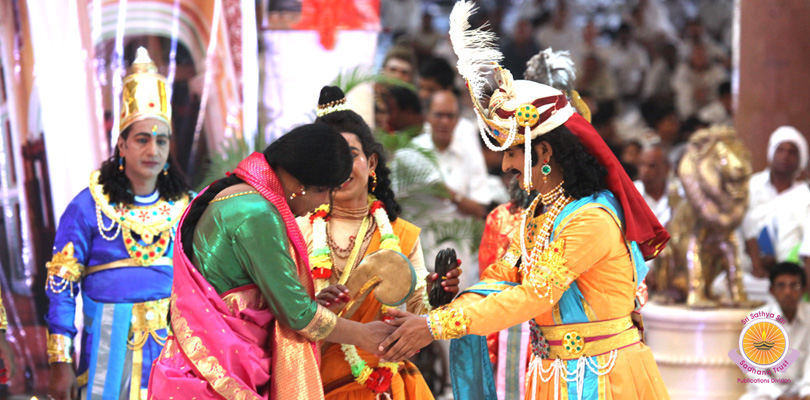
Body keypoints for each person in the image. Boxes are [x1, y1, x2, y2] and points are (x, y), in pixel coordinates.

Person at [377, 3, 671, 398]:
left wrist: (434, 327)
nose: (505, 166)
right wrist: (451, 301)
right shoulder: (540, 210)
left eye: (514, 152)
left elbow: (534, 295)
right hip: (552, 376)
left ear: (545, 153)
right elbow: (503, 278)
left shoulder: (591, 219)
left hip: (602, 380)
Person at [148, 124, 396, 399]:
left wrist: (311, 303)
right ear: (303, 185)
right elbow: (298, 316)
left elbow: (260, 297)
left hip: (203, 367)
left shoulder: (241, 194)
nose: (326, 203)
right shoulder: (256, 213)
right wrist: (365, 335)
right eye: (327, 191)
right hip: (217, 378)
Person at [45, 47, 191, 400]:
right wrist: (59, 359)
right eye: (142, 139)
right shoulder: (87, 207)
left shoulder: (187, 207)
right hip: (107, 350)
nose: (152, 150)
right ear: (121, 145)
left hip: (173, 348)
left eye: (161, 140)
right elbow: (61, 283)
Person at [301, 86, 461, 399]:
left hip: (383, 385)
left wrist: (438, 295)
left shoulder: (400, 234)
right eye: (331, 159)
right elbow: (282, 312)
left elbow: (418, 310)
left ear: (371, 162)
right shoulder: (298, 228)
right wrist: (313, 310)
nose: (343, 168)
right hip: (311, 381)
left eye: (351, 156)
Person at [742, 127, 810, 280]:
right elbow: (744, 226)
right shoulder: (751, 187)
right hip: (750, 270)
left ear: (801, 159)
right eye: (780, 150)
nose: (785, 156)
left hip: (792, 274)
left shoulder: (805, 195)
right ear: (771, 153)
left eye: (792, 152)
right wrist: (757, 263)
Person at [740, 262, 810, 400]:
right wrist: (778, 396)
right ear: (772, 290)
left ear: (803, 289)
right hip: (769, 393)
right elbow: (754, 370)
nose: (788, 292)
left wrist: (805, 393)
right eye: (781, 286)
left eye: (794, 286)